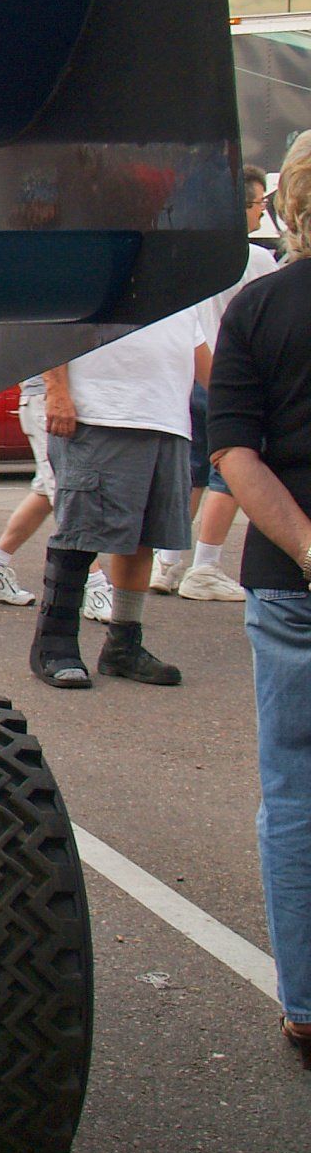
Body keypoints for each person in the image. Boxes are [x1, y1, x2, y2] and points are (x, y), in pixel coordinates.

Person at [209, 130, 311, 1065]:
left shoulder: (259, 307)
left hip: (292, 585)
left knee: (295, 795)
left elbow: (236, 452)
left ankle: (308, 1003)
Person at [26, 304, 212, 689]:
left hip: (166, 419)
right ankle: (54, 643)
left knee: (143, 537)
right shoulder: (103, 258)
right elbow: (53, 322)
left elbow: (200, 354)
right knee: (81, 532)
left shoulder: (183, 284)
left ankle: (123, 645)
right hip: (101, 412)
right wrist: (57, 390)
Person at [153, 165, 280, 601]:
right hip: (235, 377)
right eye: (258, 204)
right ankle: (205, 566)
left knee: (189, 474)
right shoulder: (255, 259)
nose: (262, 214)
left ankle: (168, 564)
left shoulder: (190, 254)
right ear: (239, 207)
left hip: (189, 370)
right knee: (232, 470)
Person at [0, 372, 114, 619]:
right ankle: (95, 587)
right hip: (48, 399)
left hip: (55, 396)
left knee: (46, 491)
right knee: (67, 493)